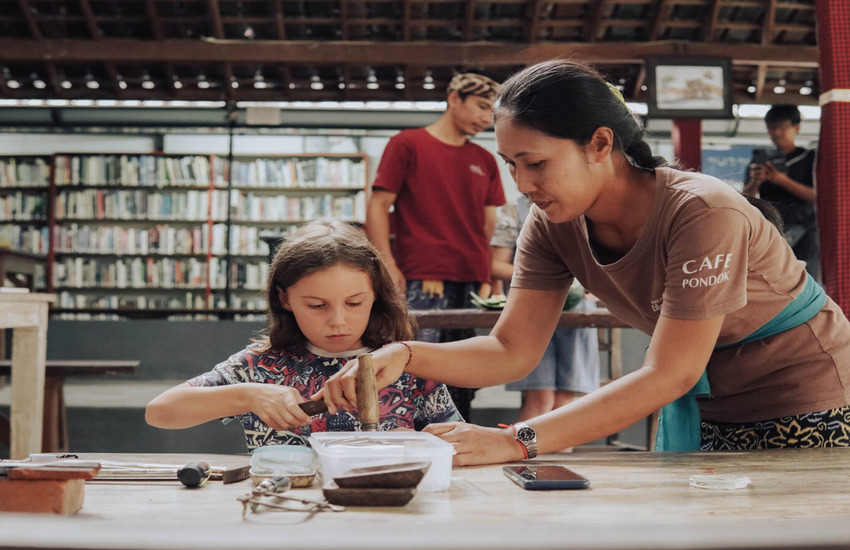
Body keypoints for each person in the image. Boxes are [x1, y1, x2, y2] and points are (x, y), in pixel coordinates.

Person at [319, 59, 850, 466]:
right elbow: (510, 348)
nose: (522, 185)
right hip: (715, 410)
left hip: (808, 398)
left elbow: (669, 372)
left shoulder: (702, 211)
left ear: (600, 144)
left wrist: (515, 440)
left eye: (536, 163)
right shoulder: (552, 223)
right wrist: (406, 354)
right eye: (511, 165)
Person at [145, 220, 461, 450]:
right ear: (285, 300)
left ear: (376, 294)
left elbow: (456, 441)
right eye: (316, 305)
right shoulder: (259, 366)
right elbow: (160, 411)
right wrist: (246, 395)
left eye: (354, 303)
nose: (338, 321)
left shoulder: (403, 364)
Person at [366, 72, 507, 421]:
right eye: (481, 106)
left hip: (472, 277)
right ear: (454, 98)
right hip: (421, 273)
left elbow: (491, 224)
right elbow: (377, 207)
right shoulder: (407, 144)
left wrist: (489, 275)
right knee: (415, 363)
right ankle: (409, 440)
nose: (486, 118)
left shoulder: (486, 159)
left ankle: (460, 438)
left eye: (493, 112)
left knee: (466, 369)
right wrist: (387, 263)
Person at [490, 196, 600, 423]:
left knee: (566, 401)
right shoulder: (514, 212)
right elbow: (495, 264)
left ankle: (559, 458)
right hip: (531, 307)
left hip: (576, 309)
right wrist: (544, 275)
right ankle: (518, 453)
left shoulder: (582, 207)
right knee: (540, 397)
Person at [743, 104, 819, 282]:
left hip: (806, 229)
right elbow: (746, 200)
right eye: (771, 127)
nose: (776, 132)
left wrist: (782, 180)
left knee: (808, 279)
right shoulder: (760, 160)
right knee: (774, 279)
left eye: (782, 127)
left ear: (796, 127)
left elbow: (817, 196)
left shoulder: (809, 158)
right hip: (773, 229)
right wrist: (755, 181)